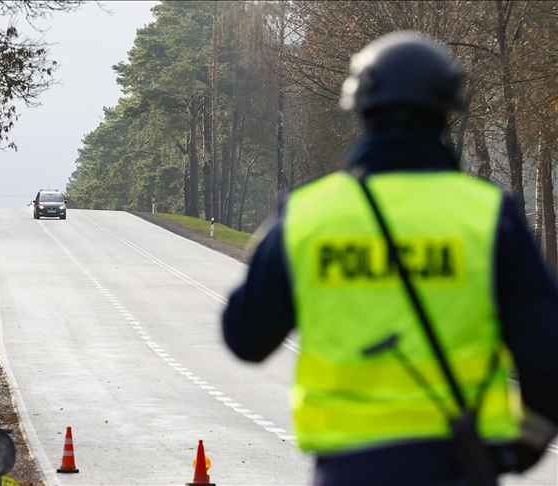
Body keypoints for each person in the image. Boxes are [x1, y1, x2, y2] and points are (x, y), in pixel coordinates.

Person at [222, 31, 558, 486]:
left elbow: (247, 337)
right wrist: (529, 441)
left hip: (348, 467)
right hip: (460, 463)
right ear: (447, 111)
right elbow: (546, 348)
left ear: (361, 109)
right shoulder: (489, 217)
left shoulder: (308, 216)